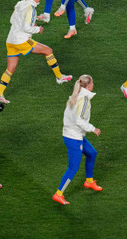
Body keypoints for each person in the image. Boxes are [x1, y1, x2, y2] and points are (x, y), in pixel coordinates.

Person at [0, 0, 72, 104]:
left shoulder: (20, 4)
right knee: (48, 51)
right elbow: (26, 28)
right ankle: (59, 77)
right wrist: (38, 29)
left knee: (10, 69)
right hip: (22, 41)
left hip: (10, 40)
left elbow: (12, 20)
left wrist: (33, 20)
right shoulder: (31, 9)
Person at [53, 75, 102, 205]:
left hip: (72, 134)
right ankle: (58, 194)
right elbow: (79, 120)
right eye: (93, 82)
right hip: (74, 137)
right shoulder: (84, 98)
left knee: (92, 153)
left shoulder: (76, 95)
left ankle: (89, 181)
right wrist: (93, 129)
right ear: (89, 85)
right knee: (73, 167)